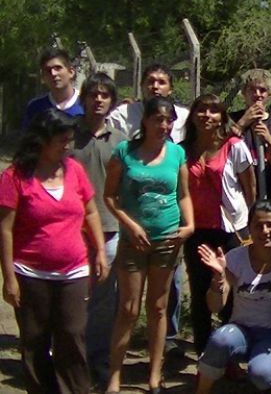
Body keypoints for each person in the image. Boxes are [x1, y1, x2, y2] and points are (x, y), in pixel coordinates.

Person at [0, 109, 108, 394]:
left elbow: (92, 212)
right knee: (35, 341)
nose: (67, 146)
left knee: (72, 336)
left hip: (73, 269)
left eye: (70, 139)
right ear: (42, 140)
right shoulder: (15, 176)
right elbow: (5, 230)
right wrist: (9, 278)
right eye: (62, 140)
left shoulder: (74, 170)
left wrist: (100, 251)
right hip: (30, 272)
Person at [104, 96, 194, 394]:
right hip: (133, 242)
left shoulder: (177, 154)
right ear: (145, 120)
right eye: (158, 119)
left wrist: (189, 225)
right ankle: (114, 376)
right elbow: (110, 197)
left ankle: (154, 376)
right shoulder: (125, 152)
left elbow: (182, 195)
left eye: (169, 120)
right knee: (128, 309)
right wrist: (130, 224)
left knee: (158, 308)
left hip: (167, 240)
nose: (164, 125)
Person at [182, 94, 256, 355]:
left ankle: (230, 353)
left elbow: (250, 190)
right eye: (201, 110)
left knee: (231, 293)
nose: (207, 116)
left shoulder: (234, 146)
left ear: (222, 118)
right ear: (192, 116)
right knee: (200, 291)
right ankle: (203, 352)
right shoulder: (183, 150)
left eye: (214, 111)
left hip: (231, 229)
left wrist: (253, 226)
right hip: (196, 229)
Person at [195, 200, 271, 393]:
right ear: (249, 229)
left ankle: (267, 374)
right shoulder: (235, 258)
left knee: (261, 374)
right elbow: (215, 306)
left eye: (270, 224)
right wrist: (219, 278)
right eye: (258, 226)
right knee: (220, 339)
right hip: (241, 331)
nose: (265, 231)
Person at [71, 73, 127, 386]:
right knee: (75, 295)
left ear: (111, 101)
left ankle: (98, 359)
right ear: (84, 99)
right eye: (93, 94)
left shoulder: (120, 141)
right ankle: (70, 356)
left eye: (105, 95)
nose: (99, 100)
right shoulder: (68, 136)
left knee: (105, 298)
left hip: (110, 227)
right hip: (71, 230)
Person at [229, 69, 271, 204]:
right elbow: (219, 149)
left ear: (269, 94)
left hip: (268, 197)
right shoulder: (231, 120)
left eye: (262, 90)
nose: (257, 95)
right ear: (243, 92)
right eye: (252, 90)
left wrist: (269, 141)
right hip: (237, 196)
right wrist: (242, 123)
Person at [107, 63, 190, 143]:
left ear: (170, 89)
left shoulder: (183, 117)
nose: (155, 86)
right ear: (142, 86)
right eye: (150, 81)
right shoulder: (121, 115)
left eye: (161, 82)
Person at [22, 48, 83, 128]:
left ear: (71, 72)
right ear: (43, 77)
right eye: (48, 70)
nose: (53, 73)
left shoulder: (86, 103)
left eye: (58, 68)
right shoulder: (35, 107)